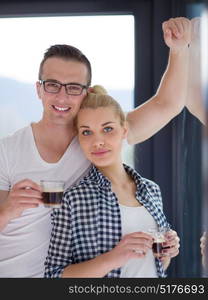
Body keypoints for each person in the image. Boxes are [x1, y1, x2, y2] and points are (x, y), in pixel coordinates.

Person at [0, 17, 190, 278]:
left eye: (73, 87)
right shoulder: (6, 150)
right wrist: (8, 208)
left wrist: (179, 49)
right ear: (39, 89)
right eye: (52, 85)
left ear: (86, 93)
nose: (62, 96)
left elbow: (166, 104)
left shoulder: (94, 139)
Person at [45, 86, 180, 278]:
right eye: (86, 132)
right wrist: (114, 258)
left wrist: (167, 250)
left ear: (124, 130)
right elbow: (53, 276)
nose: (97, 141)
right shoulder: (73, 200)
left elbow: (153, 267)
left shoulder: (151, 190)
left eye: (107, 129)